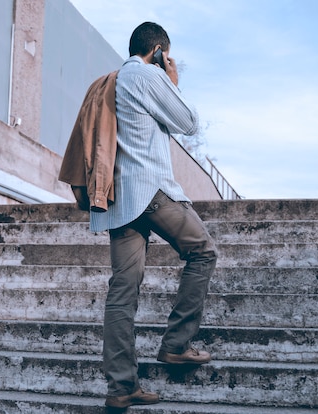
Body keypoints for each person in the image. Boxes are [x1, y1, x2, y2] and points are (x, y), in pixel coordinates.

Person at [91, 22, 219, 409]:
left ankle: (121, 387)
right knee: (203, 251)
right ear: (160, 50)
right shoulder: (147, 74)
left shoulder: (111, 82)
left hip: (119, 199)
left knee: (123, 290)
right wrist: (172, 80)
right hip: (150, 190)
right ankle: (177, 345)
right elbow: (189, 123)